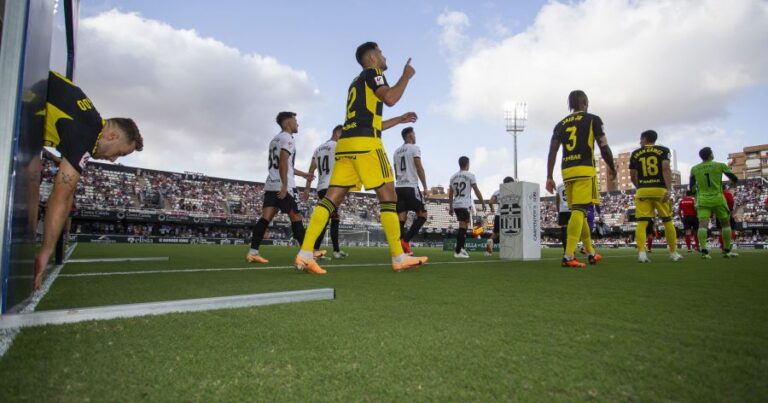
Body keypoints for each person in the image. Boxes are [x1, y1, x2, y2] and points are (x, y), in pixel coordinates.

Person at [294, 41, 428, 274]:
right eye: (381, 52)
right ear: (373, 57)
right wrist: (406, 76)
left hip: (347, 146)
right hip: (367, 146)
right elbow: (391, 98)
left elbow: (370, 122)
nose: (385, 57)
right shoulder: (374, 73)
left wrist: (399, 120)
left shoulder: (355, 82)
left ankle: (305, 253)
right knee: (389, 198)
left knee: (330, 200)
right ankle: (398, 256)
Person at [34, 71, 143, 290]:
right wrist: (45, 252)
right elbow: (61, 196)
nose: (113, 160)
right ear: (111, 136)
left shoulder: (89, 119)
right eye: (119, 153)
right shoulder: (85, 134)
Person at [545, 90, 616, 268]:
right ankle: (568, 256)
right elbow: (604, 147)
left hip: (567, 172)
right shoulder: (593, 119)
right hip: (585, 170)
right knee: (579, 211)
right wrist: (612, 167)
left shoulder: (560, 124)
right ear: (584, 102)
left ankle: (591, 252)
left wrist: (549, 176)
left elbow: (552, 150)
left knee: (580, 212)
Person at [245, 112, 314, 264]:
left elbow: (286, 165)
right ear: (288, 122)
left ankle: (253, 252)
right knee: (296, 217)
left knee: (265, 218)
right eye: (295, 120)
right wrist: (284, 185)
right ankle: (307, 256)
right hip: (284, 185)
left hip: (271, 183)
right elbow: (283, 162)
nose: (297, 124)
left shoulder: (275, 139)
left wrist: (304, 175)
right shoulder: (288, 138)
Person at [629, 130, 682, 263]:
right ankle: (673, 253)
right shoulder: (663, 150)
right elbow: (666, 168)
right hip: (660, 190)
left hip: (642, 191)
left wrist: (640, 187)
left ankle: (641, 254)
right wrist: (669, 189)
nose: (639, 142)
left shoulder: (635, 153)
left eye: (640, 139)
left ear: (645, 139)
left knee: (641, 223)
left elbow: (632, 176)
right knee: (667, 221)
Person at [303, 125, 348, 259]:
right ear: (337, 133)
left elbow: (311, 170)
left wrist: (306, 188)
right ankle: (315, 250)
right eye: (343, 135)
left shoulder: (317, 149)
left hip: (321, 187)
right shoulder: (337, 147)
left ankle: (335, 250)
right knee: (327, 219)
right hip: (332, 187)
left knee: (334, 219)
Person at [689, 147, 739, 258]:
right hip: (718, 199)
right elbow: (734, 178)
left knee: (702, 226)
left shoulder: (694, 169)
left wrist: (696, 195)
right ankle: (727, 251)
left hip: (703, 200)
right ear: (711, 155)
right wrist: (732, 185)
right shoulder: (720, 165)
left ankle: (704, 252)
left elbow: (691, 187)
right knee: (725, 224)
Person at [393, 126, 429, 256]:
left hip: (399, 187)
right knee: (423, 215)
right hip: (411, 186)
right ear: (409, 136)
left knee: (401, 218)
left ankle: (402, 250)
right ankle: (406, 241)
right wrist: (425, 187)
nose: (415, 136)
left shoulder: (396, 152)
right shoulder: (414, 148)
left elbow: (396, 171)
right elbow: (419, 168)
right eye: (414, 134)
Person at [448, 156, 486, 258]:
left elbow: (450, 193)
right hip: (464, 204)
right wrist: (482, 202)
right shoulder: (470, 176)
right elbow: (476, 190)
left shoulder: (453, 177)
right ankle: (458, 251)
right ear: (467, 164)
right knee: (463, 227)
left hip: (456, 204)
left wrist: (450, 207)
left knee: (463, 226)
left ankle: (462, 248)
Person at [486, 176, 515, 256]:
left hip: (498, 215)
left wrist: (492, 209)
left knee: (495, 234)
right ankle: (509, 251)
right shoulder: (513, 191)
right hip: (509, 216)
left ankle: (488, 251)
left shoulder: (498, 191)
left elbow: (490, 202)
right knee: (510, 234)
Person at [717, 186, 737, 251]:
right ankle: (732, 245)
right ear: (725, 189)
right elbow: (731, 202)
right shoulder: (728, 194)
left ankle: (722, 247)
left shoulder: (717, 195)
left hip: (718, 214)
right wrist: (731, 210)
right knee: (732, 229)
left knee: (720, 231)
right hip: (727, 213)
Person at [555, 182, 570, 252]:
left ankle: (565, 250)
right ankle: (571, 249)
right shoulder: (572, 183)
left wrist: (559, 211)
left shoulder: (559, 186)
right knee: (572, 231)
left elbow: (557, 201)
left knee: (564, 230)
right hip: (572, 209)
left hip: (563, 210)